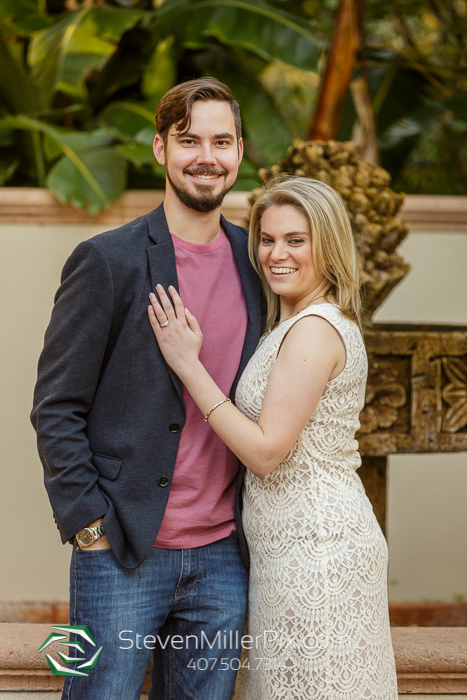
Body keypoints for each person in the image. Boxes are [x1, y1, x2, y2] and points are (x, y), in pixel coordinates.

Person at [31, 77, 262, 700]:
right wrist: (89, 527)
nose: (205, 157)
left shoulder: (257, 262)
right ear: (160, 148)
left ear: (239, 152)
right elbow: (56, 406)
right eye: (189, 140)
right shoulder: (108, 260)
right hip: (121, 552)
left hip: (223, 556)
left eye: (221, 141)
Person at [148, 176, 399, 699]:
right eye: (266, 239)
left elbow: (264, 452)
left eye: (296, 240)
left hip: (319, 551)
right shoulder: (286, 325)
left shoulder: (315, 328)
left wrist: (188, 366)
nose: (276, 254)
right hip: (283, 551)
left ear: (327, 246)